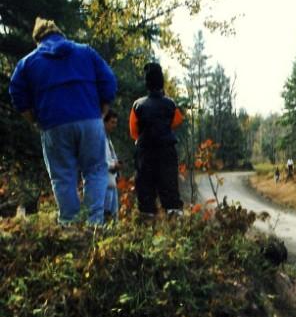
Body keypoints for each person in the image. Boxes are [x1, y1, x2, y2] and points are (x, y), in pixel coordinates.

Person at [9, 17, 117, 225]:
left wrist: (33, 119)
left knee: (62, 177)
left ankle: (70, 224)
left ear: (37, 39)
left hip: (54, 125)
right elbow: (109, 81)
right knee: (95, 171)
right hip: (89, 119)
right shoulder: (86, 51)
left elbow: (16, 92)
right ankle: (94, 224)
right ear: (60, 33)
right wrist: (102, 111)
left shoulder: (28, 63)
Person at [129, 62, 184, 217]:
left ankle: (147, 231)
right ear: (162, 82)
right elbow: (177, 121)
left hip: (145, 154)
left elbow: (133, 132)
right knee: (171, 193)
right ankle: (176, 229)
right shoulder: (170, 104)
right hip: (167, 153)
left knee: (145, 196)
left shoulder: (137, 105)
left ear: (146, 82)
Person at [103, 109, 121, 221]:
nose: (114, 125)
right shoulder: (100, 139)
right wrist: (113, 166)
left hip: (112, 182)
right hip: (104, 184)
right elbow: (100, 162)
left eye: (116, 123)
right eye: (112, 122)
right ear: (104, 122)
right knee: (106, 216)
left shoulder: (108, 139)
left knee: (114, 217)